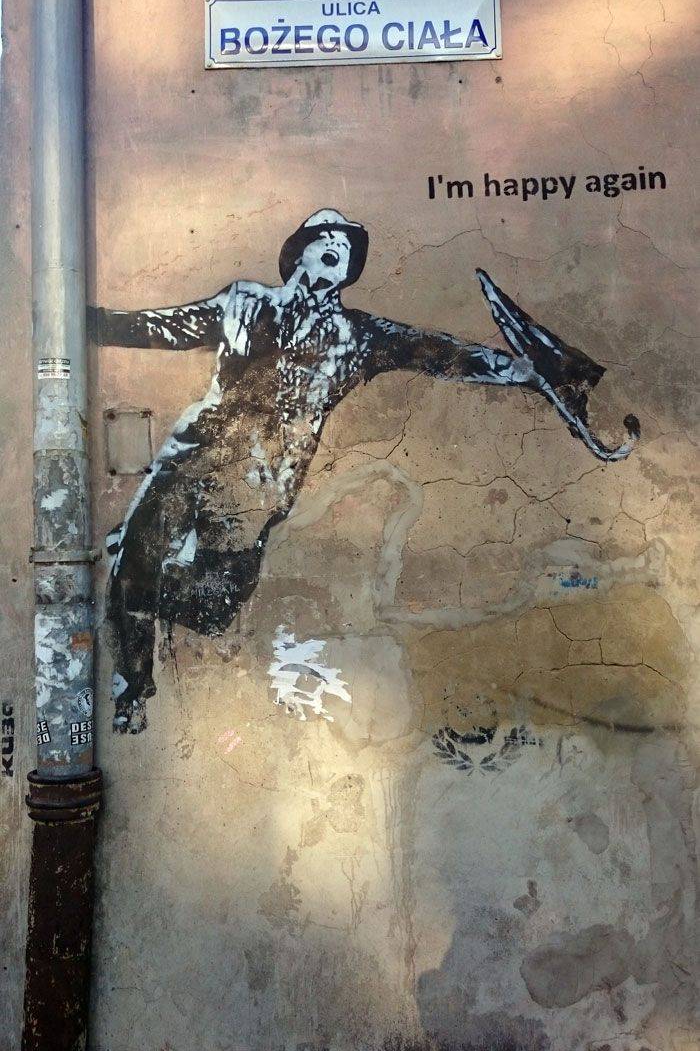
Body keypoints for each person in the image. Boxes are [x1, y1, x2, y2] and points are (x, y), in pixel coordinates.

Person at [89, 209, 639, 733]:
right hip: (197, 456)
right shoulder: (243, 302)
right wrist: (86, 322)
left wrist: (524, 371)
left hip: (260, 487)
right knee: (136, 564)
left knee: (211, 610)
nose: (338, 246)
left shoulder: (360, 337)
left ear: (350, 270)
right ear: (298, 253)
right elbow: (163, 327)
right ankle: (132, 684)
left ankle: (136, 581)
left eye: (347, 246)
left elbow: (438, 353)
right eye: (325, 238)